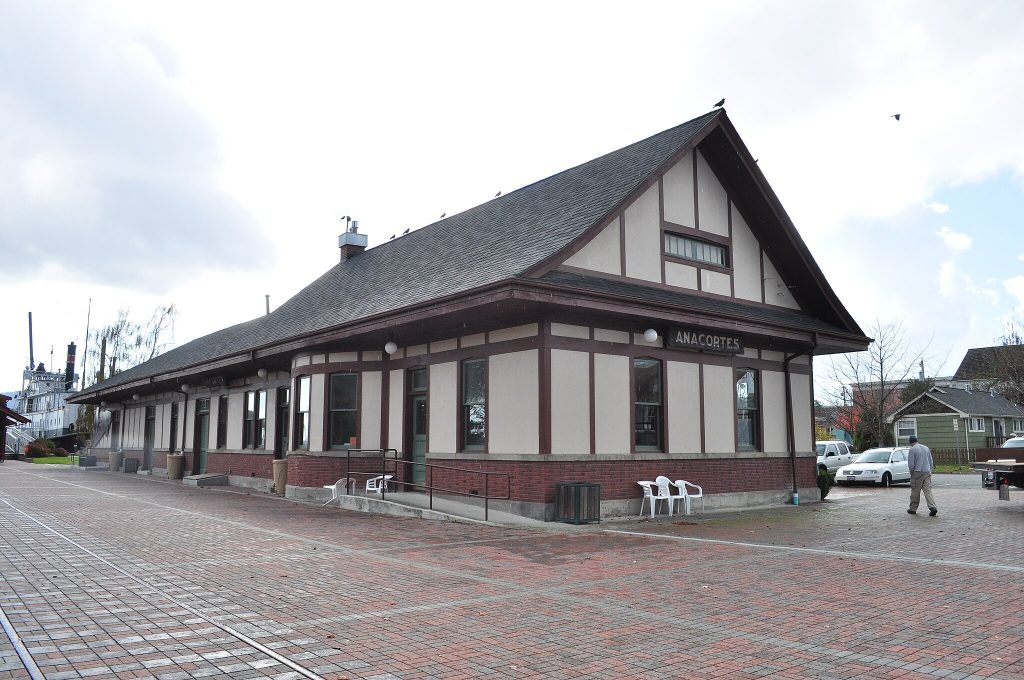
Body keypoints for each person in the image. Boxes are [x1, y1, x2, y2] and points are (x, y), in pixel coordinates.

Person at [907, 435, 937, 516]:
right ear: (917, 440)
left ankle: (913, 509)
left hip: (917, 472)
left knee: (915, 491)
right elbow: (931, 461)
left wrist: (912, 473)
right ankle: (932, 507)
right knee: (928, 491)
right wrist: (930, 470)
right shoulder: (926, 448)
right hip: (927, 472)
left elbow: (911, 464)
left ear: (910, 442)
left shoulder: (912, 450)